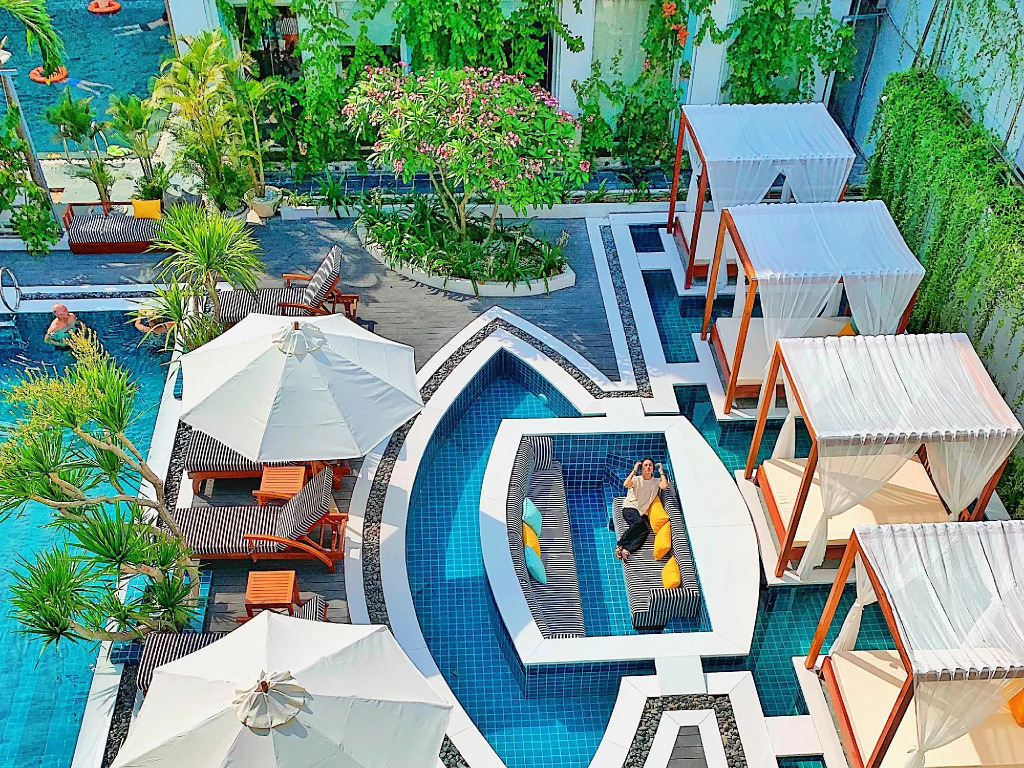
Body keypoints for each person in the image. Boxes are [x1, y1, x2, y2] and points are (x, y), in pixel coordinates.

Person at [615, 458, 669, 561]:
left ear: (653, 468)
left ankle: (627, 549)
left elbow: (665, 486)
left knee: (645, 530)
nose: (648, 467)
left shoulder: (656, 481)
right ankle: (620, 544)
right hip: (630, 507)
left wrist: (661, 471)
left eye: (650, 465)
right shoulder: (636, 479)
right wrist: (634, 470)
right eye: (645, 465)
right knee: (639, 523)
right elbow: (626, 484)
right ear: (642, 469)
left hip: (642, 512)